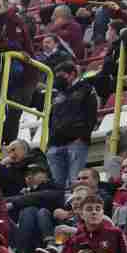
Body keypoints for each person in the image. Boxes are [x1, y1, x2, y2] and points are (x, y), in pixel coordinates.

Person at [45, 62, 100, 190]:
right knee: (56, 187)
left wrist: (82, 137)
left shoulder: (86, 88)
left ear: (72, 74)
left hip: (76, 143)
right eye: (56, 76)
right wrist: (50, 143)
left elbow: (91, 116)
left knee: (76, 183)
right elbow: (51, 119)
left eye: (62, 75)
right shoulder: (57, 94)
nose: (58, 78)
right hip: (55, 145)